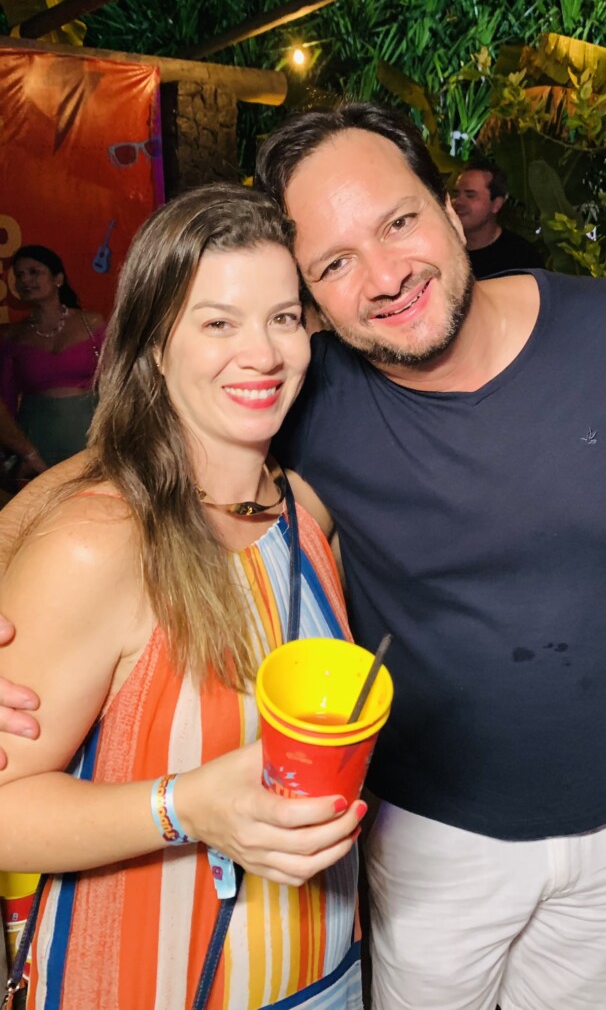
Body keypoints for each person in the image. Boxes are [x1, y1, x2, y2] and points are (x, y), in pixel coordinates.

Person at [3, 104, 606, 1010]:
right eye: (333, 264)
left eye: (396, 222)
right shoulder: (311, 401)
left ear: (450, 207)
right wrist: (15, 575)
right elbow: (119, 468)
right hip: (424, 838)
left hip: (605, 820)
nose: (385, 277)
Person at [0, 185, 363, 1008]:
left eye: (282, 317)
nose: (263, 353)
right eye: (218, 323)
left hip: (325, 974)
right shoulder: (101, 543)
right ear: (155, 347)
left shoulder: (302, 515)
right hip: (148, 983)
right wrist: (184, 807)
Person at [0, 245, 105, 470]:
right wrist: (24, 452)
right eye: (19, 275)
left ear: (58, 279)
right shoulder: (13, 336)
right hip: (36, 445)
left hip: (91, 437)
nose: (25, 280)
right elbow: (5, 402)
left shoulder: (92, 324)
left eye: (34, 272)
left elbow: (119, 383)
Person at [452, 159, 544, 277]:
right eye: (456, 194)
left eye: (470, 195)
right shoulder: (444, 249)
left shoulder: (522, 257)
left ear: (496, 204)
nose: (458, 202)